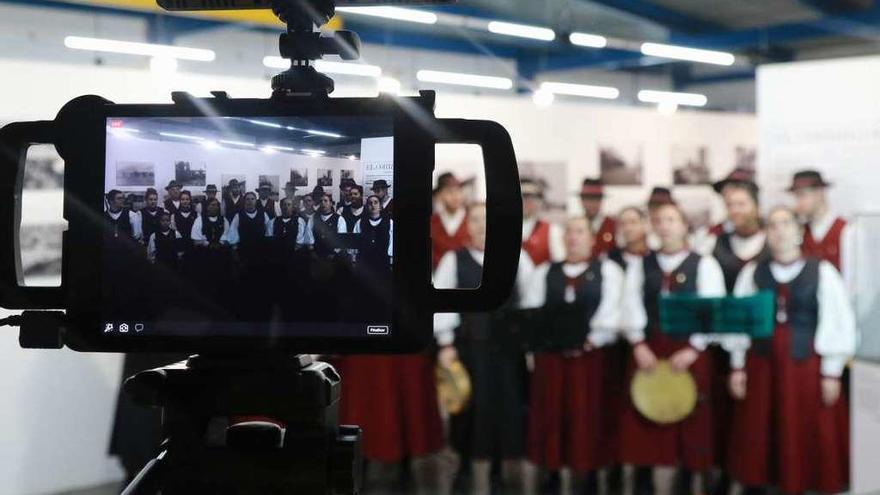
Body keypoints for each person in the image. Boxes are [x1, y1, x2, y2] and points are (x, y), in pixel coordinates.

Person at [727, 206, 856, 495]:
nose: (780, 231)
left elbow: (838, 322)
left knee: (806, 428)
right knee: (762, 428)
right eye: (772, 225)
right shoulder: (752, 273)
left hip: (805, 367)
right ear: (766, 234)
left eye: (786, 224)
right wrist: (737, 366)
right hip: (762, 366)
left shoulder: (821, 271)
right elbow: (739, 321)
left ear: (799, 232)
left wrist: (831, 372)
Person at [618, 203, 735, 495]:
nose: (665, 225)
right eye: (659, 220)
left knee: (695, 429)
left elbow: (715, 311)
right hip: (650, 352)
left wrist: (694, 348)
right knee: (655, 432)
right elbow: (630, 306)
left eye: (672, 220)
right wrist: (638, 344)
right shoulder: (641, 265)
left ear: (684, 226)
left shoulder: (704, 264)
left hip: (689, 354)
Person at [433, 203, 533, 495]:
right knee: (471, 414)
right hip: (469, 352)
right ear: (468, 225)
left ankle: (500, 474)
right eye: (475, 220)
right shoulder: (455, 260)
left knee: (506, 412)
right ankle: (467, 473)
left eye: (486, 220)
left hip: (508, 354)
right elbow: (442, 305)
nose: (481, 226)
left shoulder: (519, 258)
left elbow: (528, 303)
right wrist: (446, 344)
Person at [523, 216, 626, 495]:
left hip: (591, 359)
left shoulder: (608, 271)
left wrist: (591, 339)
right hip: (552, 360)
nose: (573, 237)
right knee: (552, 416)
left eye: (580, 231)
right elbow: (534, 312)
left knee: (588, 416)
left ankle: (589, 475)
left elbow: (613, 309)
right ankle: (552, 473)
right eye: (568, 231)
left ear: (591, 238)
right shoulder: (544, 272)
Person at [788, 170, 852, 275]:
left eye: (802, 195)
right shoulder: (800, 232)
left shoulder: (846, 230)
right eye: (796, 197)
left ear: (819, 193)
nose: (798, 203)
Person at [228, 192, 272, 319]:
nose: (250, 201)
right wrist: (236, 255)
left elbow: (269, 233)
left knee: (260, 286)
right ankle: (244, 314)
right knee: (244, 286)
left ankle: (260, 313)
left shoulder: (263, 215)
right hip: (244, 256)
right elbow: (233, 235)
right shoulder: (238, 216)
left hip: (260, 256)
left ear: (256, 200)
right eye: (247, 199)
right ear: (244, 201)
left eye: (252, 199)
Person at [190, 198, 235, 310]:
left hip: (220, 256)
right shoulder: (199, 220)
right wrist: (207, 244)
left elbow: (227, 236)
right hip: (204, 256)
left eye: (216, 205)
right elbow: (196, 240)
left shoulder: (224, 220)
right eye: (212, 205)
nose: (215, 207)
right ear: (207, 207)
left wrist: (219, 243)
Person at [520, 178, 564, 267]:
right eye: (522, 196)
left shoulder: (552, 230)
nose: (525, 201)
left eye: (530, 197)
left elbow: (560, 266)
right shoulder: (504, 231)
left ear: (539, 201)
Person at [431, 172, 470, 268]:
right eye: (449, 191)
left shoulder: (471, 219)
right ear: (440, 195)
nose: (455, 196)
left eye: (458, 191)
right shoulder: (433, 222)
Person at [580, 178, 616, 259]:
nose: (592, 204)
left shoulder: (613, 225)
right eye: (588, 199)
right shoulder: (575, 225)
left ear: (601, 201)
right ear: (582, 200)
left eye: (596, 199)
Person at [312, 193, 346, 259]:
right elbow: (309, 235)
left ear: (331, 203)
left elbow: (342, 239)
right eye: (321, 201)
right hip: (317, 255)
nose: (323, 203)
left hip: (333, 256)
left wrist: (334, 253)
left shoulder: (339, 219)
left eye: (325, 201)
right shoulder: (314, 218)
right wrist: (312, 251)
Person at [646, 186, 675, 251]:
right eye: (654, 205)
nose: (658, 209)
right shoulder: (643, 226)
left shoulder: (675, 227)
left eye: (662, 205)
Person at [172, 190, 197, 257]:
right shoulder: (174, 215)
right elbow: (174, 231)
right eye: (183, 199)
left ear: (190, 200)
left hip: (193, 245)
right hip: (180, 245)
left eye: (187, 199)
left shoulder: (196, 214)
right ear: (180, 200)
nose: (185, 201)